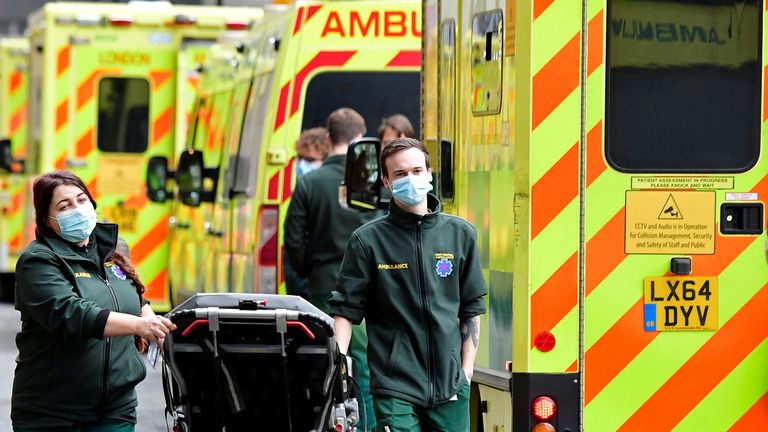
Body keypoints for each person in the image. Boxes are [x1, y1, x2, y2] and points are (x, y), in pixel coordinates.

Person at [330, 138, 488, 431]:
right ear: (387, 182)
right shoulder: (368, 241)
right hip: (395, 388)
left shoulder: (460, 234)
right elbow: (345, 312)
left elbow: (472, 308)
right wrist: (338, 370)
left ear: (430, 174)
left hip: (451, 388)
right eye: (400, 174)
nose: (411, 179)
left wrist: (465, 374)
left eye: (417, 170)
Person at [12, 170, 176, 432]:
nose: (77, 208)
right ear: (47, 219)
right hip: (52, 413)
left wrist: (150, 320)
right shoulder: (38, 261)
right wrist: (137, 326)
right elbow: (72, 314)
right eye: (64, 205)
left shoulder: (113, 249)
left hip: (115, 409)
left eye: (82, 200)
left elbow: (135, 297)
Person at [284, 108, 379, 430]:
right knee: (362, 369)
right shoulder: (373, 184)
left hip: (324, 288)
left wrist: (311, 270)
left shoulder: (309, 183)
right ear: (361, 138)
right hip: (370, 289)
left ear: (328, 139)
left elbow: (294, 241)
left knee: (323, 365)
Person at [285, 127, 331, 299]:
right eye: (301, 158)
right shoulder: (301, 190)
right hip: (302, 281)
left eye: (311, 159)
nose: (303, 165)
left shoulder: (327, 194)